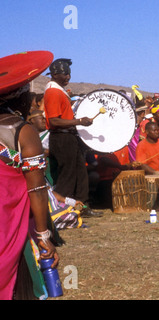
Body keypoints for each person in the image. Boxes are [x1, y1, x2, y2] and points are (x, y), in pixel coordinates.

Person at [0, 50, 59, 300]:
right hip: (11, 224)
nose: (33, 104)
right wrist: (44, 236)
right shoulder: (22, 131)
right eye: (31, 98)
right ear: (21, 99)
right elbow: (36, 188)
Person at [43, 58, 101, 217]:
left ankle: (82, 206)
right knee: (67, 175)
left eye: (69, 73)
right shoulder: (53, 92)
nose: (68, 77)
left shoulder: (58, 91)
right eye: (64, 74)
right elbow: (54, 120)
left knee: (80, 173)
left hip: (68, 136)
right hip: (61, 138)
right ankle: (61, 209)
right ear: (54, 74)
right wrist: (79, 121)